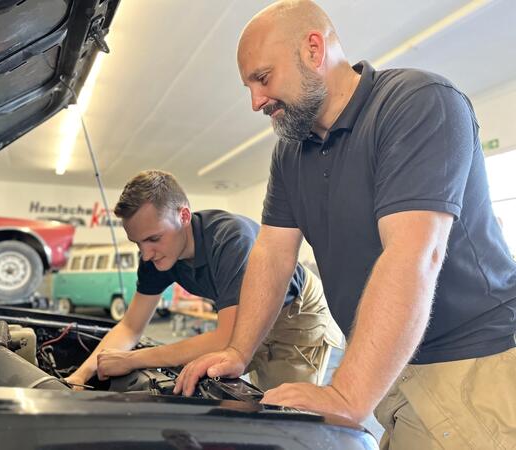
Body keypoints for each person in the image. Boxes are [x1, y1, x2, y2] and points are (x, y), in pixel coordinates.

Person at [173, 1, 516, 449]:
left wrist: (346, 393)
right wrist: (239, 351)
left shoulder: (416, 103)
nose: (255, 101)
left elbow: (413, 254)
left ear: (313, 49)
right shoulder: (290, 153)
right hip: (389, 366)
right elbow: (272, 253)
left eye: (262, 78)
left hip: (468, 365)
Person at [65, 169, 343, 392]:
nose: (146, 254)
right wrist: (81, 375)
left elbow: (227, 338)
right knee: (206, 382)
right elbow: (129, 326)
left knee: (281, 407)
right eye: (138, 243)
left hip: (294, 312)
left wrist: (133, 358)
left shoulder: (230, 240)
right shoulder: (154, 257)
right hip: (244, 316)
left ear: (183, 216)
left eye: (153, 239)